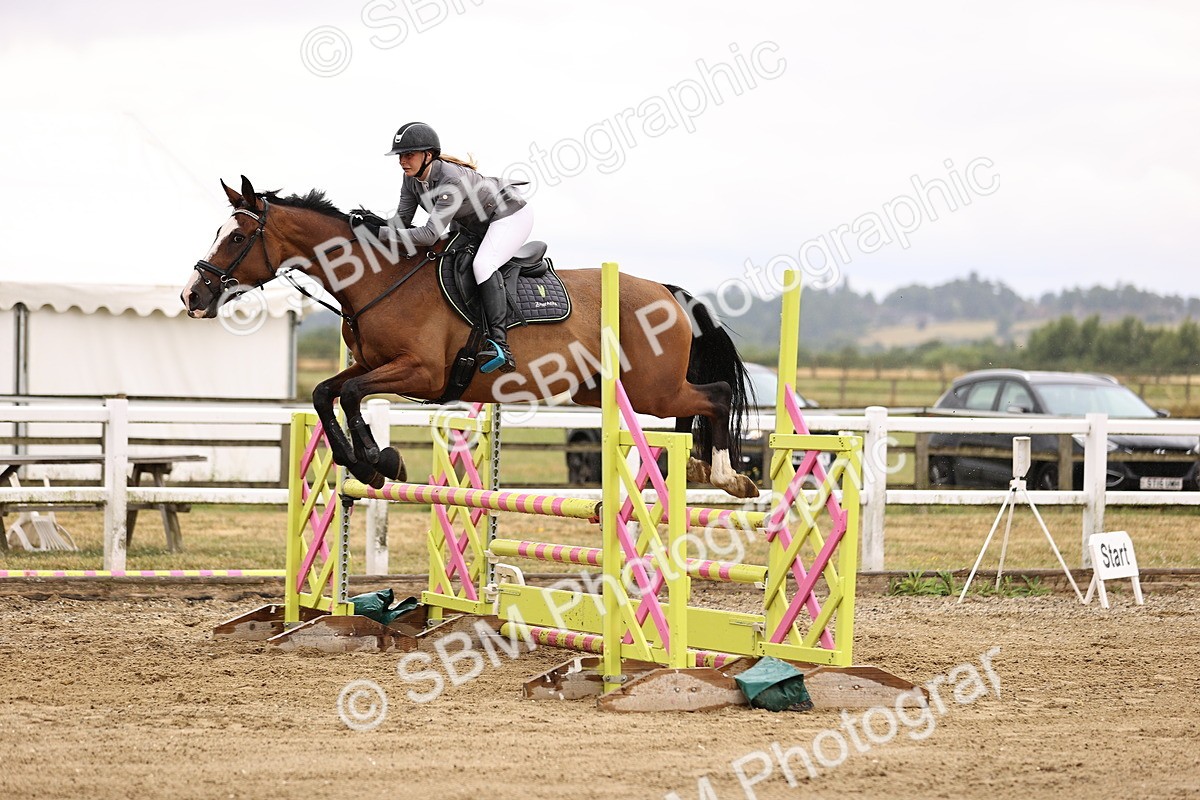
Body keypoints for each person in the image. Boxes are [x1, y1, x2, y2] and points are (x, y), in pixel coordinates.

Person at [356, 121, 532, 374]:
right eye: (400, 156)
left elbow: (429, 235)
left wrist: (380, 233)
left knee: (483, 265)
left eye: (408, 155)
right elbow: (401, 223)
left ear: (428, 155)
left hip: (509, 215)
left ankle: (500, 345)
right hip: (471, 222)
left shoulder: (451, 179)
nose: (402, 161)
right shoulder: (411, 180)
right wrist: (370, 224)